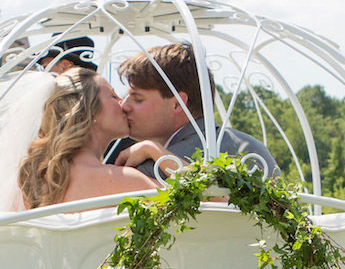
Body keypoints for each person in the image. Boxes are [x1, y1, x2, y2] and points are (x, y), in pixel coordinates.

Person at [115, 42, 280, 180]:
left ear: (178, 104)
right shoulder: (253, 147)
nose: (125, 106)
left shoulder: (153, 169)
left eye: (138, 99)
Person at [18, 66, 160, 208]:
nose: (123, 102)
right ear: (91, 111)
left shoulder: (32, 187)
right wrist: (153, 149)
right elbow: (181, 205)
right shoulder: (127, 181)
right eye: (113, 96)